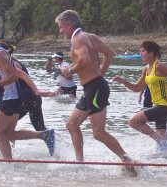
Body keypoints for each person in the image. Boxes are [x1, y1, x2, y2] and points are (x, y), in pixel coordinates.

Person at [55, 10, 137, 176]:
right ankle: (80, 164)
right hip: (92, 87)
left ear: (69, 25)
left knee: (98, 133)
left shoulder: (77, 39)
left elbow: (84, 60)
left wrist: (69, 70)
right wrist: (101, 73)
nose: (60, 30)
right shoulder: (89, 36)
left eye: (61, 27)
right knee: (71, 125)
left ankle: (128, 160)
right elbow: (109, 53)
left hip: (95, 88)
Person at [0, 26, 55, 159]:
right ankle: (44, 135)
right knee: (8, 134)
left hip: (11, 98)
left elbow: (13, 76)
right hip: (10, 98)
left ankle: (8, 163)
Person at [113, 40, 167, 152]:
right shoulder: (146, 69)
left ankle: (160, 140)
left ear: (151, 53)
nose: (140, 53)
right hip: (159, 107)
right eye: (140, 51)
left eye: (143, 51)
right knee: (164, 150)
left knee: (133, 121)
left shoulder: (159, 66)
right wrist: (123, 82)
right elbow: (137, 88)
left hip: (165, 107)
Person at [0, 41, 47, 131]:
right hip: (33, 98)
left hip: (27, 98)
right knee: (40, 129)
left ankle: (8, 145)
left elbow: (24, 76)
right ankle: (59, 142)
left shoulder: (12, 64)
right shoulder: (9, 62)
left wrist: (38, 91)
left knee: (4, 128)